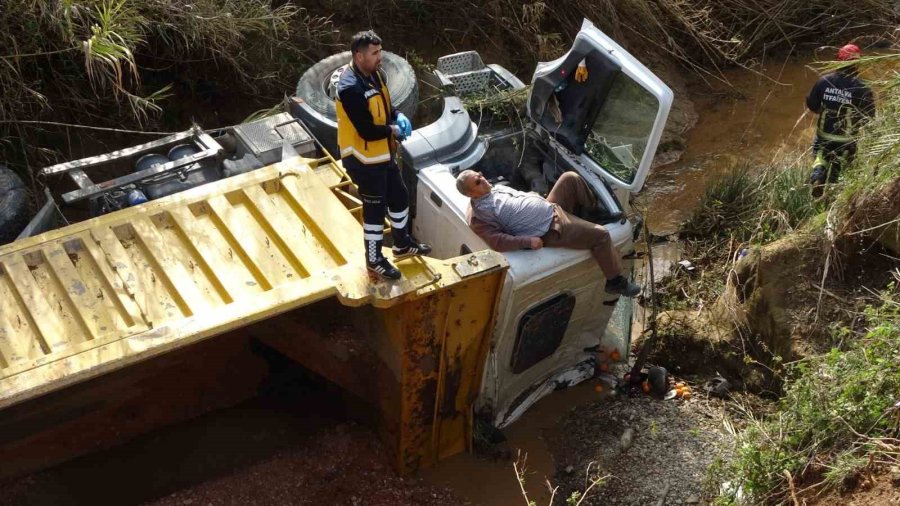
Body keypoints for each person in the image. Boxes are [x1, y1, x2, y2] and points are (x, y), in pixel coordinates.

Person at [335, 30, 431, 280]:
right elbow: (366, 130)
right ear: (358, 56)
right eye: (375, 53)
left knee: (399, 196)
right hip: (363, 160)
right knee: (375, 211)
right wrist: (393, 129)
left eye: (380, 52)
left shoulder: (374, 74)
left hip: (382, 153)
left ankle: (402, 244)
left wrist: (397, 114)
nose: (381, 57)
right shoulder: (349, 88)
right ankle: (374, 259)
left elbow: (386, 107)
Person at [455, 169, 641, 297]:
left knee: (570, 178)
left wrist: (536, 198)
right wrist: (527, 242)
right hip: (549, 228)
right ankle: (615, 281)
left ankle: (592, 212)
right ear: (471, 194)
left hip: (551, 207)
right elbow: (497, 241)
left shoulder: (492, 189)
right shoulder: (479, 216)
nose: (483, 179)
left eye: (480, 175)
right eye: (478, 182)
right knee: (601, 235)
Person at [806, 43, 875, 193]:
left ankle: (818, 176)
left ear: (838, 60)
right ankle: (835, 190)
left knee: (821, 155)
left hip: (824, 134)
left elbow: (812, 105)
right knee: (843, 162)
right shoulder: (862, 88)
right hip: (847, 138)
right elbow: (868, 117)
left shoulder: (824, 81)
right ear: (857, 64)